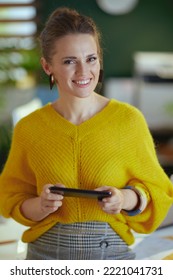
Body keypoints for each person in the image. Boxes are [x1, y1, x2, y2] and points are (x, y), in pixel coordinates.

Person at [0, 7, 173, 260]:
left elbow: (157, 191)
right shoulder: (30, 127)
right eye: (70, 61)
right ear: (47, 66)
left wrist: (125, 198)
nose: (84, 72)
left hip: (112, 256)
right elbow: (11, 197)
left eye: (91, 58)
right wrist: (41, 205)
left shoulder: (128, 120)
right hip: (43, 259)